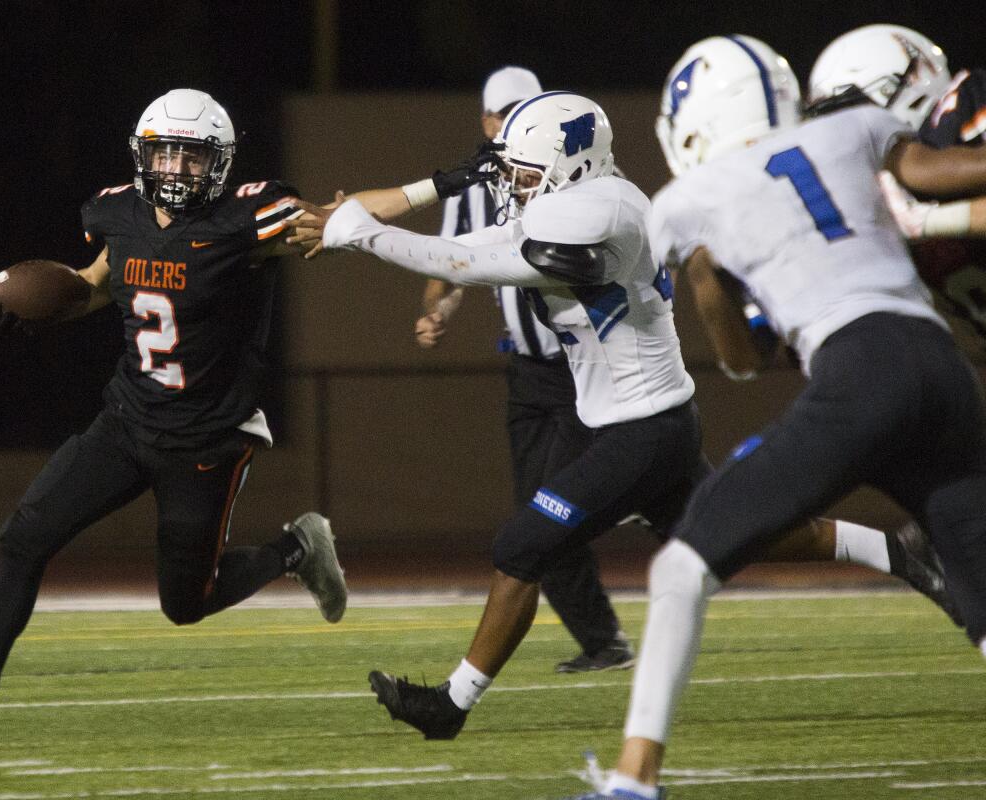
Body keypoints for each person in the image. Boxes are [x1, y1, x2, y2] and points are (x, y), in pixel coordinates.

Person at [286, 88, 956, 742]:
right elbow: (474, 237)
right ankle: (907, 555)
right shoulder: (588, 197)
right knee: (747, 530)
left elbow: (473, 261)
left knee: (522, 545)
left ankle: (452, 703)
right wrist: (347, 224)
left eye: (525, 175)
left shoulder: (595, 213)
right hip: (650, 420)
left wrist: (367, 237)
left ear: (568, 166)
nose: (515, 187)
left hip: (643, 430)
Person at [565, 35, 986, 799]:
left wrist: (698, 270)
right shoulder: (852, 128)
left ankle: (633, 779)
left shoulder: (684, 200)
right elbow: (944, 175)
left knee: (683, 564)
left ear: (690, 122)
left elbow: (738, 361)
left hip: (858, 372)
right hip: (941, 369)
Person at [0, 89, 354, 743]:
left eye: (191, 158)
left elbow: (330, 231)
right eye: (164, 154)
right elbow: (98, 286)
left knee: (184, 605)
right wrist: (28, 307)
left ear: (219, 164)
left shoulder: (249, 219)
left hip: (206, 439)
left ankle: (296, 547)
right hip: (126, 423)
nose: (174, 170)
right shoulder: (118, 213)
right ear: (142, 154)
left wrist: (353, 231)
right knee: (24, 537)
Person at [419, 66, 633, 674]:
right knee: (534, 515)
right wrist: (438, 308)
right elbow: (453, 262)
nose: (516, 118)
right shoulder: (473, 185)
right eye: (507, 109)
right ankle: (603, 641)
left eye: (528, 106)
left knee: (549, 512)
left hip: (579, 365)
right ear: (487, 121)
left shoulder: (573, 172)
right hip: (528, 376)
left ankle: (634, 495)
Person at [808, 24, 986, 340]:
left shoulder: (958, 112)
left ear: (911, 83)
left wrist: (933, 221)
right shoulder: (878, 195)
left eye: (851, 111)